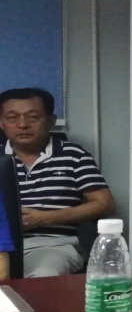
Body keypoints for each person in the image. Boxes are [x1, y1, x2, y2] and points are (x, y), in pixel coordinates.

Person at [0, 87, 115, 277]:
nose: (23, 124)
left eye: (33, 117)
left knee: (43, 276)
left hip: (53, 245)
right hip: (3, 245)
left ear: (51, 120)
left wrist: (44, 218)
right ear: (1, 123)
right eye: (12, 118)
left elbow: (104, 204)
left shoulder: (73, 155)